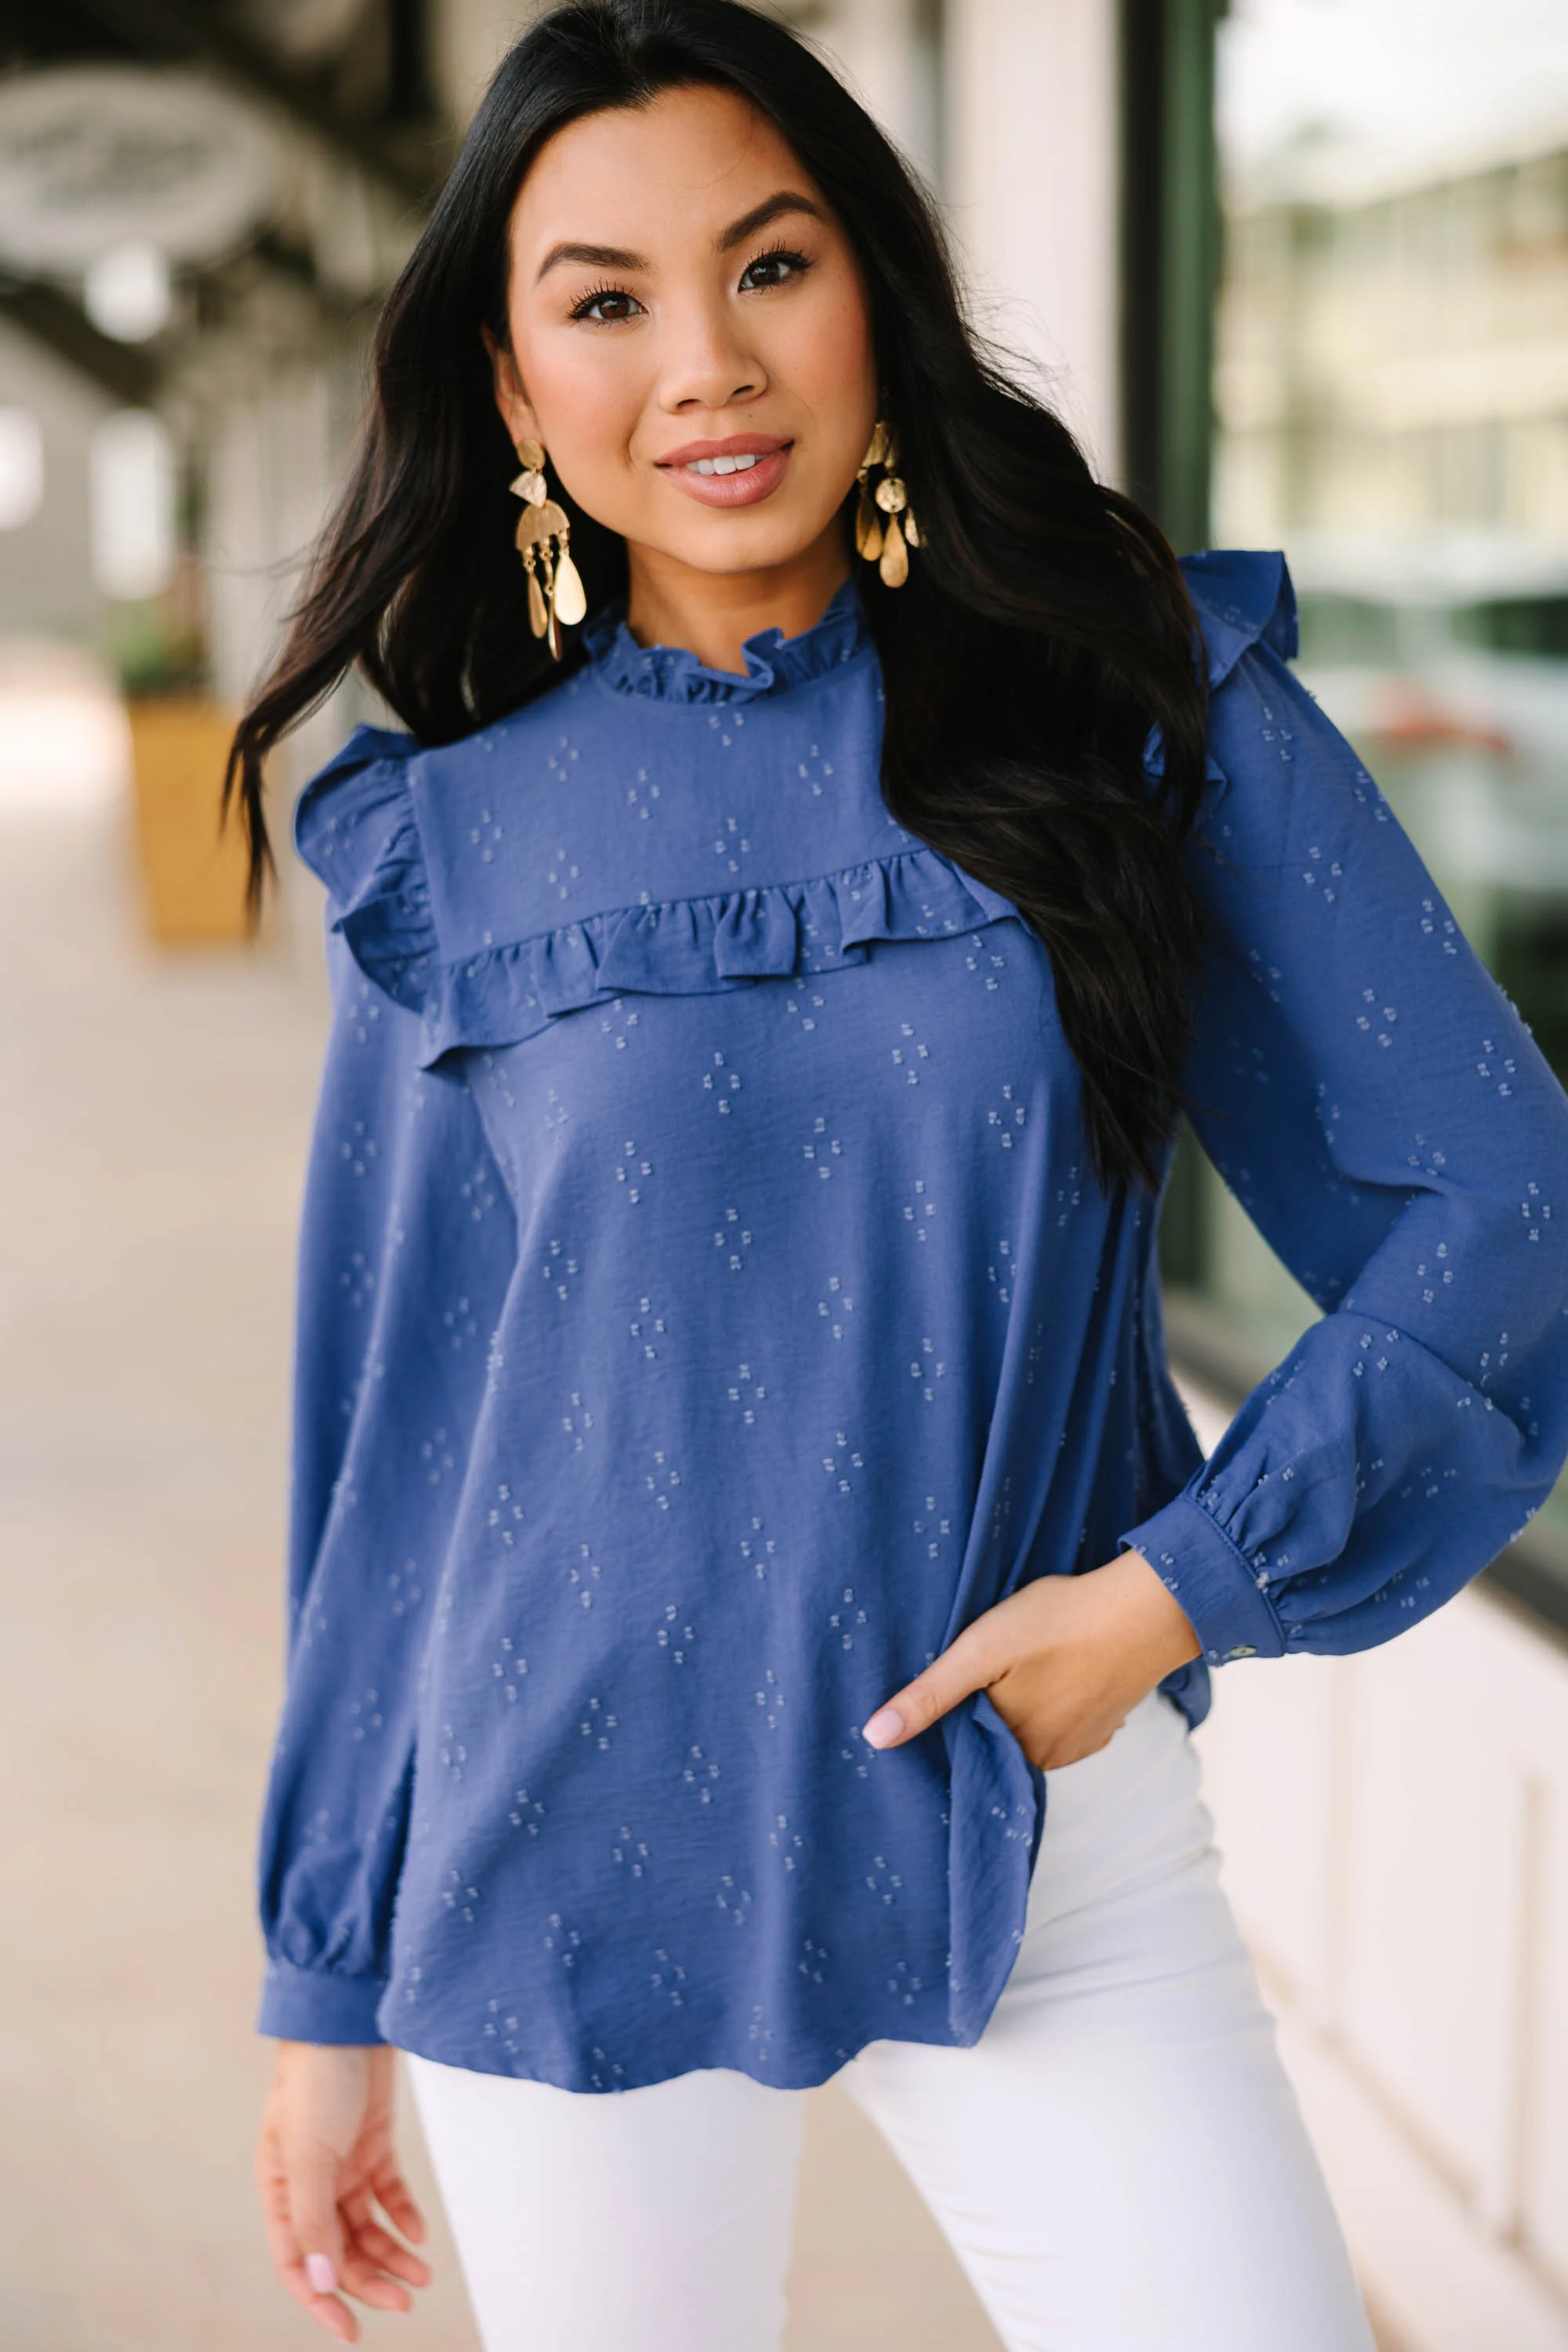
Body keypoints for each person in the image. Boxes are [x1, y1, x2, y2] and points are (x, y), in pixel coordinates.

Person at [230, 5, 1568, 2347]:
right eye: (605, 300)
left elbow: (1513, 1206)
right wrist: (320, 1970)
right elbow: (401, 1449)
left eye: (771, 265)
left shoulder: (1143, 707)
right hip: (556, 1850)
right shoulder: (442, 849)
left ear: (881, 290)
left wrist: (1177, 1593)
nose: (707, 367)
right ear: (514, 384)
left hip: (1045, 1832)